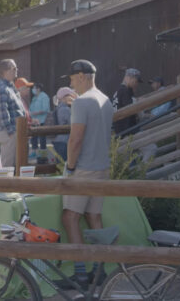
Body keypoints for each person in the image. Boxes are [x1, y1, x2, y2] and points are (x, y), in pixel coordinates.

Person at [59, 59, 114, 290]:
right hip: (102, 166)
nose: (71, 84)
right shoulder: (105, 99)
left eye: (72, 79)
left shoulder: (82, 102)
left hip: (83, 168)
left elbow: (76, 139)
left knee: (70, 217)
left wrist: (70, 167)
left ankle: (80, 274)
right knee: (94, 217)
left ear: (81, 76)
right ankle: (99, 270)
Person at [0, 59, 26, 167]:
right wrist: (10, 131)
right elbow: (2, 112)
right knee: (8, 165)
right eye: (14, 68)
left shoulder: (9, 86)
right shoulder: (2, 88)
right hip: (10, 132)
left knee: (17, 164)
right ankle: (4, 184)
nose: (17, 70)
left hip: (15, 130)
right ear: (6, 71)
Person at [112, 68, 142, 135]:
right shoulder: (125, 91)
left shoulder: (119, 90)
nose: (137, 84)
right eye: (136, 81)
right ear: (129, 78)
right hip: (127, 130)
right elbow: (131, 110)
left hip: (119, 129)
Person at [52, 87, 75, 162]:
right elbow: (73, 122)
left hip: (59, 140)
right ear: (64, 97)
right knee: (65, 166)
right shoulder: (65, 109)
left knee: (61, 166)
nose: (72, 98)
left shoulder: (58, 108)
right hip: (64, 142)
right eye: (70, 96)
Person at [28, 82, 50, 153]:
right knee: (34, 138)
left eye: (34, 88)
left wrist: (34, 113)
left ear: (38, 89)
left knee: (42, 138)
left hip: (42, 120)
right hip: (34, 121)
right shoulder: (34, 98)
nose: (33, 90)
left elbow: (45, 109)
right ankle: (34, 152)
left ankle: (43, 155)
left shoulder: (44, 96)